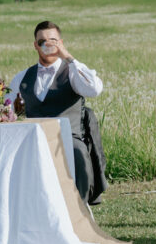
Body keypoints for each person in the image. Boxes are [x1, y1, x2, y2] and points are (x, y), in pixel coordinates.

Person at [9, 21, 108, 205]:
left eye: (53, 41)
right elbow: (6, 106)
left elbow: (94, 89)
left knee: (77, 152)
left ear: (60, 43)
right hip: (35, 139)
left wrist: (69, 57)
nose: (47, 45)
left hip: (68, 137)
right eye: (42, 42)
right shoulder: (22, 77)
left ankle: (79, 207)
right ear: (35, 45)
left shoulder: (72, 72)